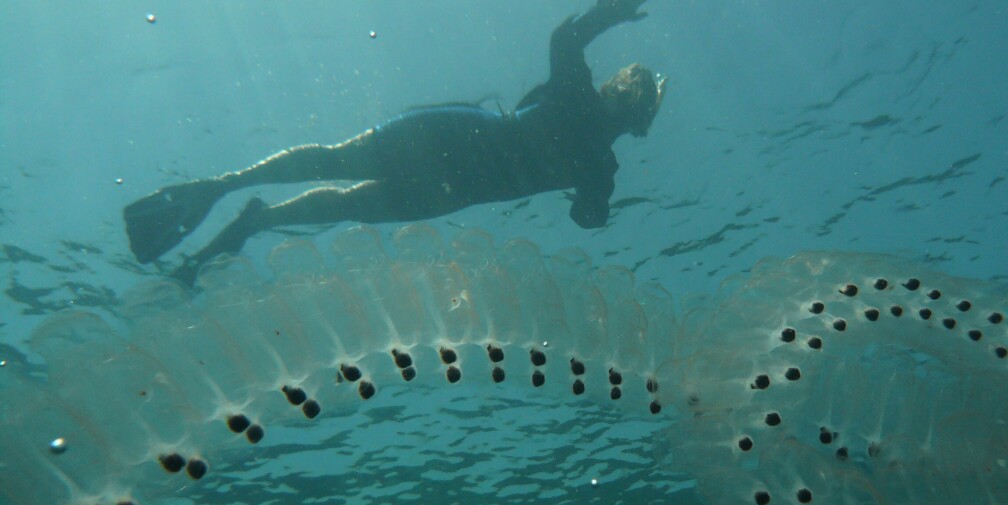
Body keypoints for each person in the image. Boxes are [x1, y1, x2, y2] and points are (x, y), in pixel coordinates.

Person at [122, 0, 666, 282]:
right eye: (627, 92)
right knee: (338, 164)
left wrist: (592, 205)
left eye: (632, 100)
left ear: (636, 117)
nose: (622, 102)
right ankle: (225, 189)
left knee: (349, 202)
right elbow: (565, 38)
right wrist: (606, 13)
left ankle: (252, 214)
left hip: (453, 179)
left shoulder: (599, 159)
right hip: (448, 143)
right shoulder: (582, 109)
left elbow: (589, 217)